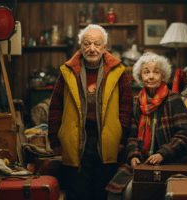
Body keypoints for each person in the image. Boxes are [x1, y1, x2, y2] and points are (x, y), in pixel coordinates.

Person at [48, 24, 133, 200]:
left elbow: (126, 107)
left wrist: (122, 138)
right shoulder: (67, 71)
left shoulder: (119, 72)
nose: (91, 48)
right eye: (87, 44)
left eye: (96, 44)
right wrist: (54, 139)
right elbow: (56, 106)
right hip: (75, 140)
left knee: (102, 193)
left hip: (108, 141)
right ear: (80, 46)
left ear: (104, 47)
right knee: (78, 194)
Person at [106, 52, 187, 200]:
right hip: (142, 161)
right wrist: (133, 155)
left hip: (172, 160)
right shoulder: (136, 102)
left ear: (163, 76)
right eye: (146, 72)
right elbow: (132, 136)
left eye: (156, 72)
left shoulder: (174, 99)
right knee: (114, 193)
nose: (151, 76)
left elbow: (185, 134)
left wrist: (162, 154)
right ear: (140, 78)